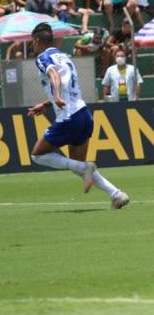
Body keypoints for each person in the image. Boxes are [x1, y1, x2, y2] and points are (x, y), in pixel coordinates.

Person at [28, 22, 129, 209]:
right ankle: (117, 194)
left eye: (32, 42)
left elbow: (55, 77)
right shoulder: (64, 57)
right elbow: (69, 85)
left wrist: (56, 96)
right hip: (83, 114)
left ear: (37, 40)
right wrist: (46, 104)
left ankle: (86, 169)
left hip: (68, 117)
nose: (31, 46)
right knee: (78, 164)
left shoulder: (43, 57)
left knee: (37, 155)